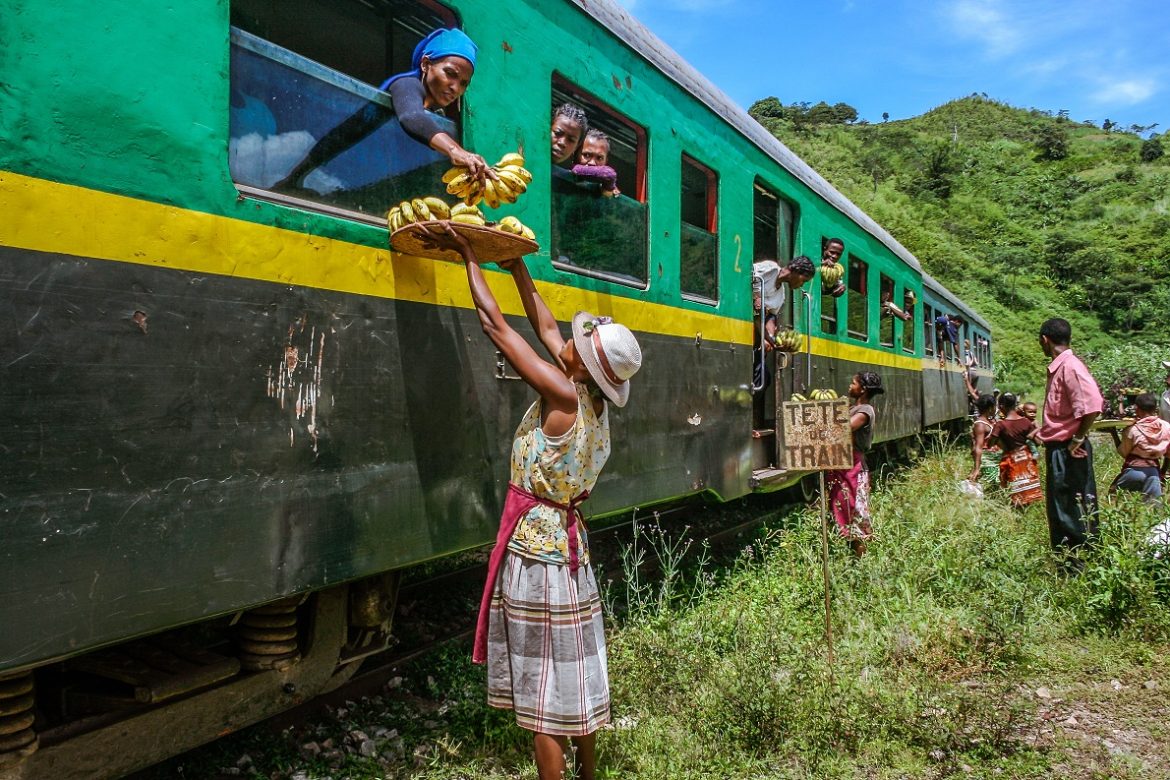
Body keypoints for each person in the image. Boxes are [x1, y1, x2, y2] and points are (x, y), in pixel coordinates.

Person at [423, 223, 641, 780]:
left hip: (536, 556)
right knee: (574, 673)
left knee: (542, 694)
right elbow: (544, 326)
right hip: (570, 555)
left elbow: (497, 328)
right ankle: (589, 773)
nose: (565, 339)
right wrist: (517, 266)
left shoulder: (562, 393)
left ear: (582, 365)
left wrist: (469, 255)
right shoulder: (592, 403)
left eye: (577, 344)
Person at [277, 28, 494, 190]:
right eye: (450, 74)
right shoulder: (405, 85)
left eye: (463, 83)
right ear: (425, 64)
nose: (455, 87)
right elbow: (411, 117)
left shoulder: (437, 115)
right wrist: (456, 151)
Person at [1035, 318, 1103, 557]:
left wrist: (1077, 439)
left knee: (1072, 509)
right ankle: (1070, 561)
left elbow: (1093, 405)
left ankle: (1078, 562)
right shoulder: (1061, 367)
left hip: (1069, 450)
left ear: (1045, 340)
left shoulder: (1070, 367)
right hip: (1061, 448)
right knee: (1062, 507)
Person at [824, 372, 883, 556]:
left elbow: (845, 428)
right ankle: (850, 558)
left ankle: (861, 561)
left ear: (863, 389)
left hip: (854, 470)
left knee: (855, 517)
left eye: (853, 383)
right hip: (843, 466)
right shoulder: (852, 408)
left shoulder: (865, 411)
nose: (850, 386)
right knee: (841, 513)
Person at [751, 257, 815, 391]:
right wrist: (756, 297)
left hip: (754, 337)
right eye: (803, 280)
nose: (801, 285)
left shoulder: (781, 296)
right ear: (797, 271)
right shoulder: (771, 268)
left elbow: (769, 318)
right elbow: (746, 277)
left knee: (764, 379)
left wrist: (772, 340)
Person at [1108, 393, 1170, 501]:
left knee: (1113, 494)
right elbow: (1169, 454)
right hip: (1154, 472)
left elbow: (1124, 453)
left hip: (1133, 470)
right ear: (1156, 409)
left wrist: (1114, 434)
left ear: (1137, 409)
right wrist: (1162, 472)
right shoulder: (1166, 427)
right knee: (1153, 506)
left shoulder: (1132, 430)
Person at [991, 393, 1043, 508]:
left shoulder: (1000, 425)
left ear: (1001, 406)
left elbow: (991, 443)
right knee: (1029, 491)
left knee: (1016, 493)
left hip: (1012, 461)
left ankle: (1017, 512)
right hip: (1027, 460)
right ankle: (1027, 511)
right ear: (1016, 405)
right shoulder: (1026, 422)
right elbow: (1038, 442)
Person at [570, 129, 620, 197]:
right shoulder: (562, 175)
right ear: (574, 154)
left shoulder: (606, 186)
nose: (592, 163)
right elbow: (609, 174)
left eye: (599, 158)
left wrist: (609, 188)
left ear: (606, 162)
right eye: (587, 155)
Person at [967, 394, 1000, 491]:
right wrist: (976, 468)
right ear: (990, 408)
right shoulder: (980, 425)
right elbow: (978, 447)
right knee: (991, 489)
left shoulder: (990, 421)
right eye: (995, 406)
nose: (996, 408)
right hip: (988, 462)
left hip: (995, 460)